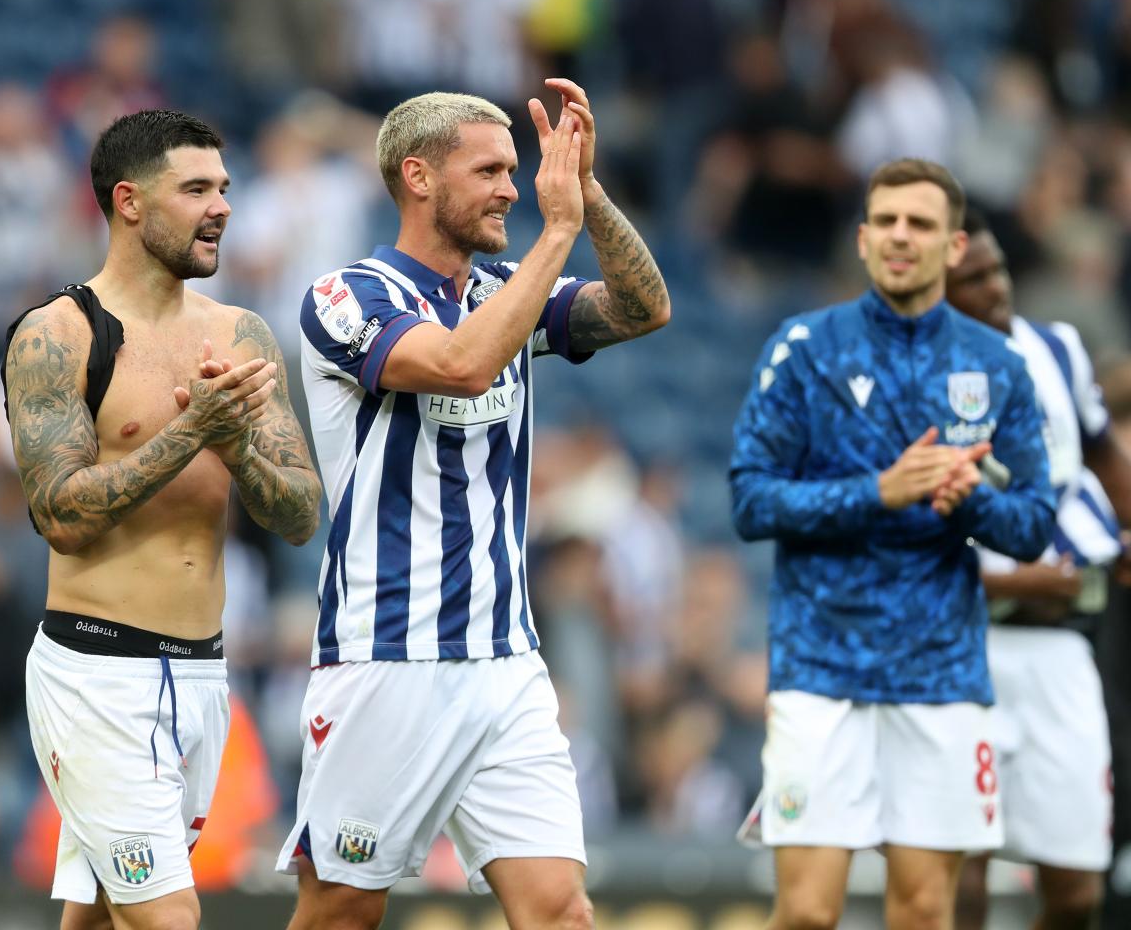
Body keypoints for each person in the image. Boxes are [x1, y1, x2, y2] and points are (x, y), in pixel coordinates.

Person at [275, 80, 670, 930]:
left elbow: (646, 308)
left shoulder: (504, 290)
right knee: (342, 911)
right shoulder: (345, 296)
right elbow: (460, 365)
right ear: (417, 177)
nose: (510, 188)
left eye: (517, 170)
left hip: (506, 662)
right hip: (388, 655)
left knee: (562, 912)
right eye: (489, 169)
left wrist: (588, 194)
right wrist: (557, 231)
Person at [1, 108, 322, 930]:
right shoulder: (59, 334)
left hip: (205, 676)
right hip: (96, 675)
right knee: (168, 918)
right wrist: (191, 435)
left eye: (224, 188)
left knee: (107, 915)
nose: (221, 206)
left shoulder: (241, 334)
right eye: (196, 189)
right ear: (130, 202)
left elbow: (298, 514)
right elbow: (62, 516)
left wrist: (239, 448)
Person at [729, 158, 1055, 930]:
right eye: (887, 221)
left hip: (941, 673)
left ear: (954, 246)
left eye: (920, 224)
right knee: (806, 915)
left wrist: (970, 501)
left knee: (923, 915)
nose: (900, 236)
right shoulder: (804, 347)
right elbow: (749, 500)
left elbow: (1035, 525)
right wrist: (880, 492)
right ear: (863, 237)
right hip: (820, 667)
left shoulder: (998, 367)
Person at [945, 210, 1131, 930]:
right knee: (961, 870)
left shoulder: (1058, 349)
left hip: (1063, 644)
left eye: (997, 271)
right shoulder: (912, 373)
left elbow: (1100, 449)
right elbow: (894, 547)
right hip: (965, 647)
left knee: (1079, 882)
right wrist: (1016, 581)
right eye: (972, 280)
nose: (995, 290)